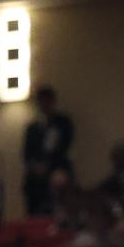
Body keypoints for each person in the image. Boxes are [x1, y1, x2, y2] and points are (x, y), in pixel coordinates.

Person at [22, 86, 75, 216]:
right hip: (36, 168)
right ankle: (34, 217)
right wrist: (34, 165)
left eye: (46, 101)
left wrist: (48, 164)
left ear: (52, 102)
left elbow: (64, 145)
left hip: (57, 165)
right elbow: (26, 151)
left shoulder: (62, 122)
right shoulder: (33, 127)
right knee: (30, 184)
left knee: (59, 180)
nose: (43, 105)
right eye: (41, 101)